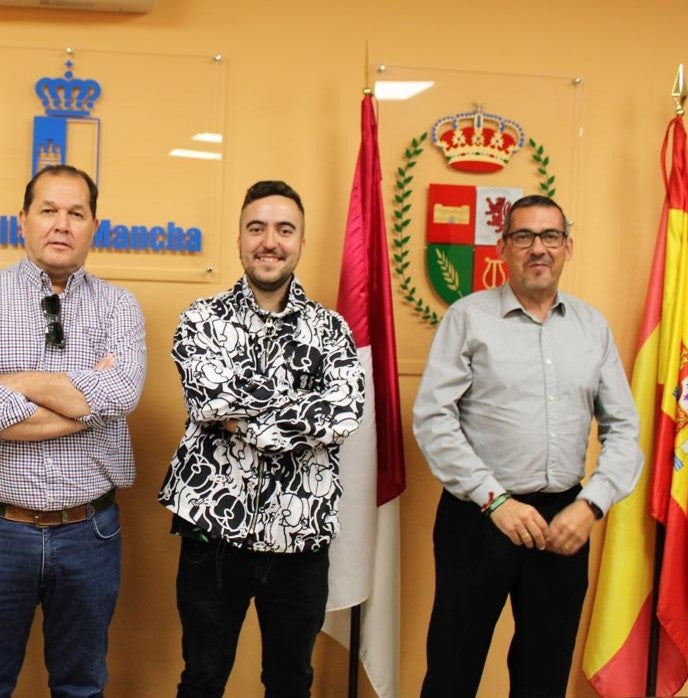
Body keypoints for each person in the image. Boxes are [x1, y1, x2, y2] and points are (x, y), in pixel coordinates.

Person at [413, 194, 642, 697]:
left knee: (543, 677)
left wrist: (592, 506)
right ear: (504, 248)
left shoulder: (592, 328)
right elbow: (433, 418)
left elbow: (624, 429)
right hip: (478, 518)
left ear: (567, 247)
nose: (538, 248)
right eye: (524, 237)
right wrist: (495, 500)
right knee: (452, 670)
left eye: (550, 237)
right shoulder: (468, 318)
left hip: (564, 523)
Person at [0, 164, 147, 697]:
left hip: (90, 532)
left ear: (93, 226)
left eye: (76, 213)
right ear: (23, 221)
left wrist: (13, 384)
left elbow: (121, 394)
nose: (61, 224)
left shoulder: (119, 307)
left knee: (80, 686)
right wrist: (86, 403)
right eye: (48, 210)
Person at [158, 179, 365, 698]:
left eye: (284, 229)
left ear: (300, 240)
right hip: (213, 533)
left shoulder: (333, 330)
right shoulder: (200, 319)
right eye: (257, 228)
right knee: (202, 678)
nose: (269, 241)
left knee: (291, 681)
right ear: (240, 238)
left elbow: (343, 413)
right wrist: (299, 412)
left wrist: (243, 415)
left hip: (301, 537)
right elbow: (210, 399)